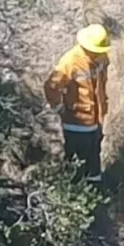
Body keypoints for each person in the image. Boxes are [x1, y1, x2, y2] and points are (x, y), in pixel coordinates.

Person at [43, 24, 110, 184]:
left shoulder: (101, 58)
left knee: (94, 161)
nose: (100, 55)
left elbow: (101, 84)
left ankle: (94, 194)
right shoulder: (70, 61)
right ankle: (73, 196)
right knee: (75, 166)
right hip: (76, 125)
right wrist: (59, 107)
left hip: (96, 122)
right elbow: (51, 86)